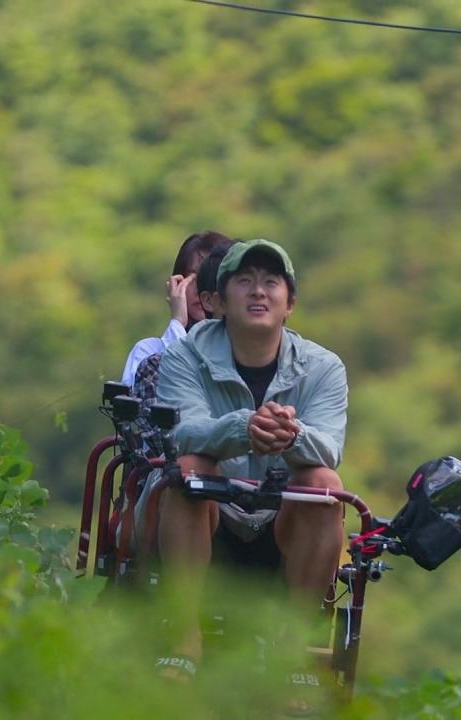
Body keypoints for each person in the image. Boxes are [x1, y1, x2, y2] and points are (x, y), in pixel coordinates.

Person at [154, 239, 348, 678]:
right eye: (244, 281)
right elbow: (183, 432)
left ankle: (292, 648)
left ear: (290, 302)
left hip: (284, 520)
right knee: (188, 469)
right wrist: (245, 428)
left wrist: (287, 434)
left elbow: (329, 447)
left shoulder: (324, 367)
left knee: (326, 484)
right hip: (212, 513)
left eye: (270, 282)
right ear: (219, 301)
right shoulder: (185, 354)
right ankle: (185, 636)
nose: (258, 291)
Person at [120, 230, 232, 386]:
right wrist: (178, 321)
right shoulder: (148, 352)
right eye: (193, 278)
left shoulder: (245, 352)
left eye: (211, 278)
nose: (200, 289)